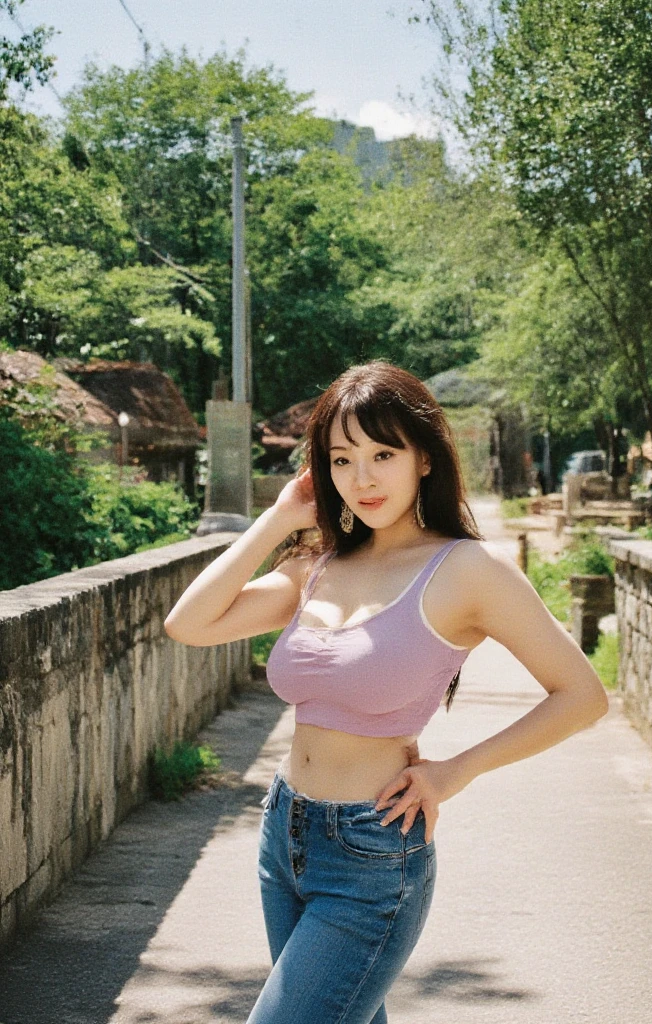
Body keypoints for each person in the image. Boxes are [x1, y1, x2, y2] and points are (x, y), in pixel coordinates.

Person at [164, 360, 609, 1024]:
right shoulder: (317, 565)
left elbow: (582, 695)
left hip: (372, 854)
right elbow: (188, 623)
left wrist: (453, 773)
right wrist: (278, 519)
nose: (362, 478)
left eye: (383, 453)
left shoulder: (466, 569)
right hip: (285, 834)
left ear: (423, 458)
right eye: (342, 460)